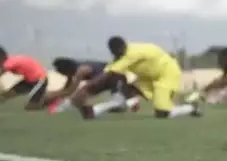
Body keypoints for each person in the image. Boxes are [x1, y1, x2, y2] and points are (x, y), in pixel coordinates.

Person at [72, 36, 201, 120]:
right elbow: (109, 69)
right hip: (148, 78)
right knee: (128, 89)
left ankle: (192, 108)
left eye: (116, 52)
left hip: (167, 74)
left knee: (162, 113)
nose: (115, 55)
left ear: (122, 47)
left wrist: (87, 89)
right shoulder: (122, 54)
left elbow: (110, 73)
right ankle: (98, 110)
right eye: (113, 53)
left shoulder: (132, 53)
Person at [46, 57, 140, 114]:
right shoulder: (72, 72)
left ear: (65, 69)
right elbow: (68, 89)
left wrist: (56, 96)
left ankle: (61, 109)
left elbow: (72, 89)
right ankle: (62, 108)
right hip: (108, 78)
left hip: (112, 76)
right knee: (79, 97)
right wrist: (57, 94)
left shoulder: (81, 70)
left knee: (80, 95)